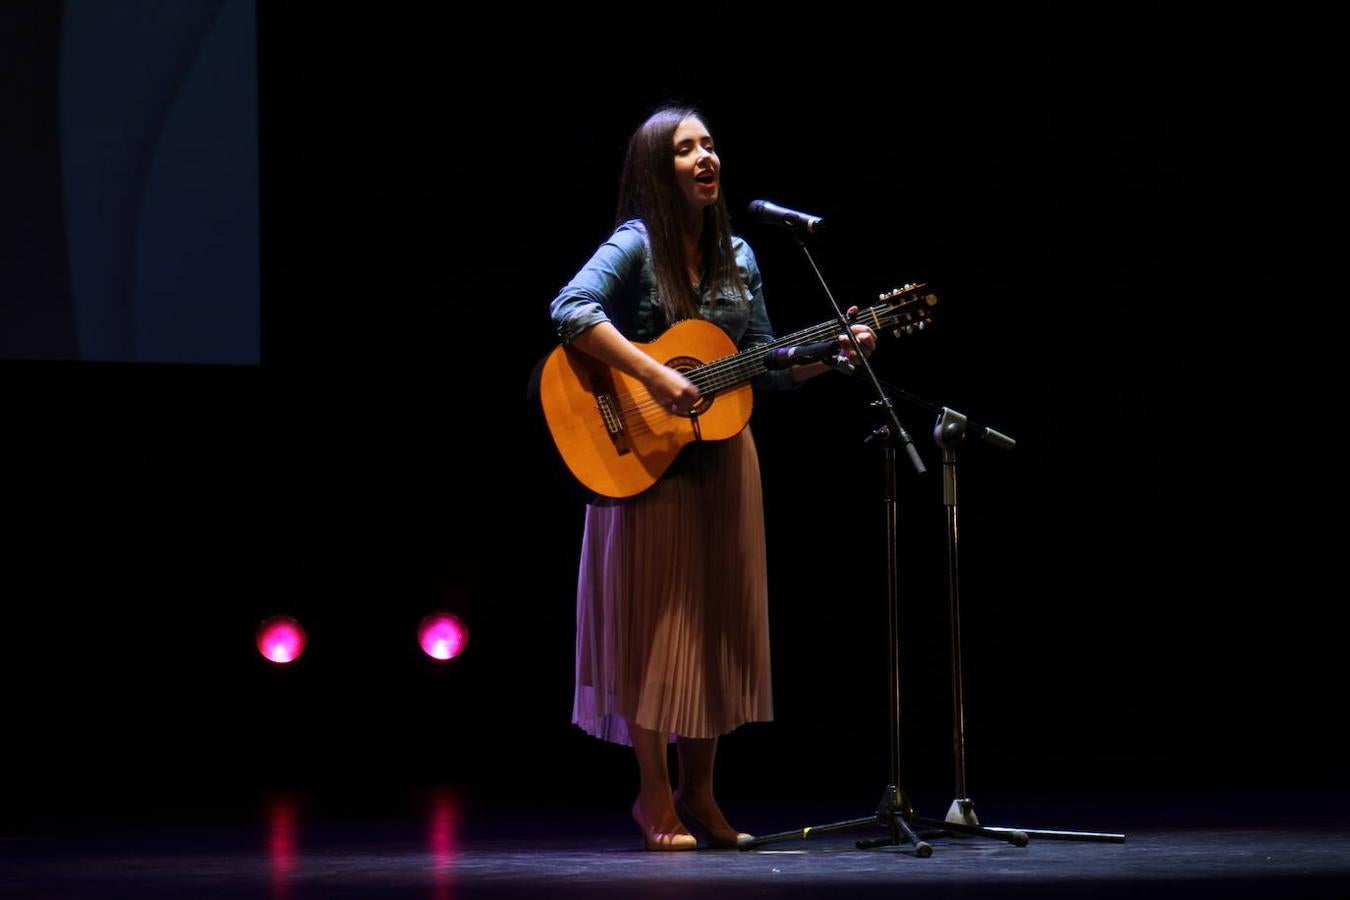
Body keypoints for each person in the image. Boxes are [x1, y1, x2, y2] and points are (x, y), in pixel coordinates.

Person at [548, 106, 876, 850]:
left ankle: (702, 794)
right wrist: (653, 374)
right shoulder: (634, 245)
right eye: (685, 149)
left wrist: (832, 354)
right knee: (656, 630)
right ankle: (654, 798)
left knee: (718, 625)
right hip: (645, 459)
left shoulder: (740, 258)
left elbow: (769, 367)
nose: (706, 158)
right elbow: (569, 309)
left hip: (727, 455)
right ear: (655, 172)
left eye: (710, 145)